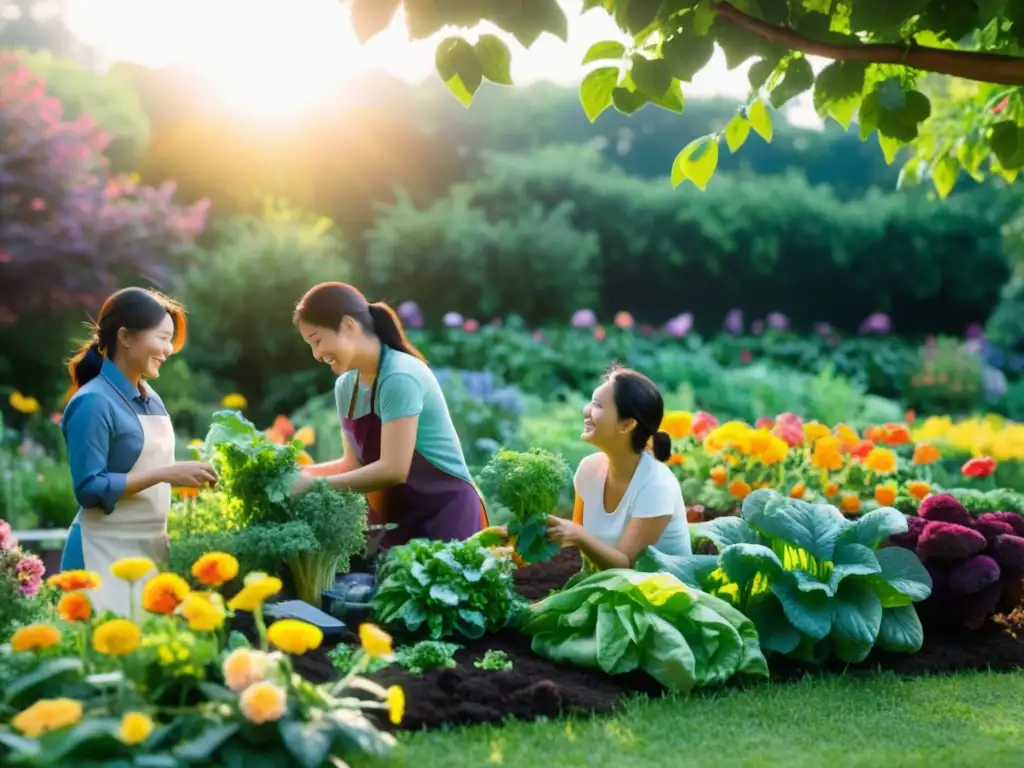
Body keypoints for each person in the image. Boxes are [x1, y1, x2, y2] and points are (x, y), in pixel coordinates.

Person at [60, 288, 218, 615]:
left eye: (171, 340)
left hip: (149, 551)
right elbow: (88, 489)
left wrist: (189, 477)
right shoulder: (93, 402)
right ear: (126, 337)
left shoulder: (150, 396)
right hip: (100, 552)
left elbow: (154, 469)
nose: (168, 350)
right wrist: (164, 475)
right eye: (162, 338)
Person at [293, 282, 486, 548]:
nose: (316, 354)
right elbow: (351, 466)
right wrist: (293, 475)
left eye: (317, 340)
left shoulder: (399, 375)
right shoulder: (346, 386)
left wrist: (313, 486)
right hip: (398, 521)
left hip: (446, 517)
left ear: (348, 325)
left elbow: (394, 470)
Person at [545, 365, 691, 570]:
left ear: (627, 425)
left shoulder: (657, 485)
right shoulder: (589, 470)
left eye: (597, 405)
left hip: (660, 596)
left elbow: (626, 565)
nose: (586, 410)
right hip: (610, 590)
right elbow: (576, 543)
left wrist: (577, 535)